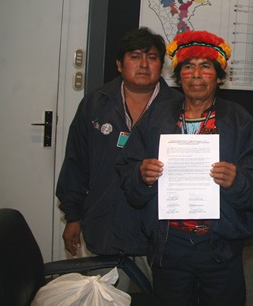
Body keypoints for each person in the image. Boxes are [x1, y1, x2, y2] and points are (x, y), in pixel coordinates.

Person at [116, 30, 253, 306]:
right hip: (169, 244)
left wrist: (237, 180)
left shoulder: (239, 121)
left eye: (205, 66)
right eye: (188, 66)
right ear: (179, 76)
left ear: (219, 76)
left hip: (220, 245)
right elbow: (127, 170)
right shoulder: (157, 117)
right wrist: (142, 175)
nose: (196, 74)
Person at [56, 27, 182, 260]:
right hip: (105, 225)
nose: (144, 64)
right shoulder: (96, 103)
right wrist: (73, 217)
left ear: (161, 66)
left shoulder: (179, 108)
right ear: (119, 65)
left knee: (155, 284)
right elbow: (76, 162)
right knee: (107, 284)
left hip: (158, 233)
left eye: (152, 57)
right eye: (135, 57)